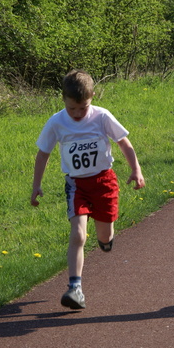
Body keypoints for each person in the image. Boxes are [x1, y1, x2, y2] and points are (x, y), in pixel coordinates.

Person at [30, 69, 145, 310]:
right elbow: (43, 154)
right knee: (78, 235)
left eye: (83, 107)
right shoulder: (56, 122)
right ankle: (75, 288)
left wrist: (136, 170)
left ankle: (106, 240)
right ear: (63, 100)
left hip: (104, 182)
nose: (78, 114)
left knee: (104, 235)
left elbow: (124, 142)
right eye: (72, 108)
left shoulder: (102, 117)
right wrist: (36, 185)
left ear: (92, 96)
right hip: (76, 185)